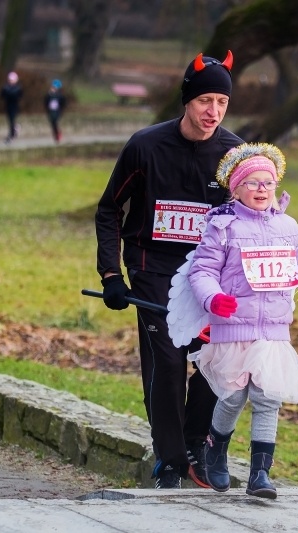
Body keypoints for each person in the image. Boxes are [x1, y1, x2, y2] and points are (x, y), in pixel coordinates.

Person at [95, 50, 242, 489]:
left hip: (209, 278)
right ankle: (171, 462)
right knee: (168, 362)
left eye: (222, 102)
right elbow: (108, 210)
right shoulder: (145, 146)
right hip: (153, 272)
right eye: (204, 101)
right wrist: (110, 276)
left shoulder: (233, 154)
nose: (212, 112)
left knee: (217, 362)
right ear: (186, 100)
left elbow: (254, 220)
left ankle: (197, 446)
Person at [185, 143, 298, 499]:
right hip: (234, 327)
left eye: (267, 182)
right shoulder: (223, 227)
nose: (262, 189)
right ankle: (216, 449)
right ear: (235, 189)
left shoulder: (288, 227)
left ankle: (260, 474)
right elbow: (202, 270)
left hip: (273, 330)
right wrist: (213, 298)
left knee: (269, 397)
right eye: (252, 183)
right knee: (234, 397)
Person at [1, 71, 23, 144]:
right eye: (10, 80)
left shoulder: (17, 88)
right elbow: (2, 96)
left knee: (12, 120)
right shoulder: (6, 87)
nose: (11, 81)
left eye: (12, 80)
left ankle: (11, 136)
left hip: (14, 106)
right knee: (10, 120)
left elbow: (18, 95)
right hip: (8, 106)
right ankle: (15, 129)